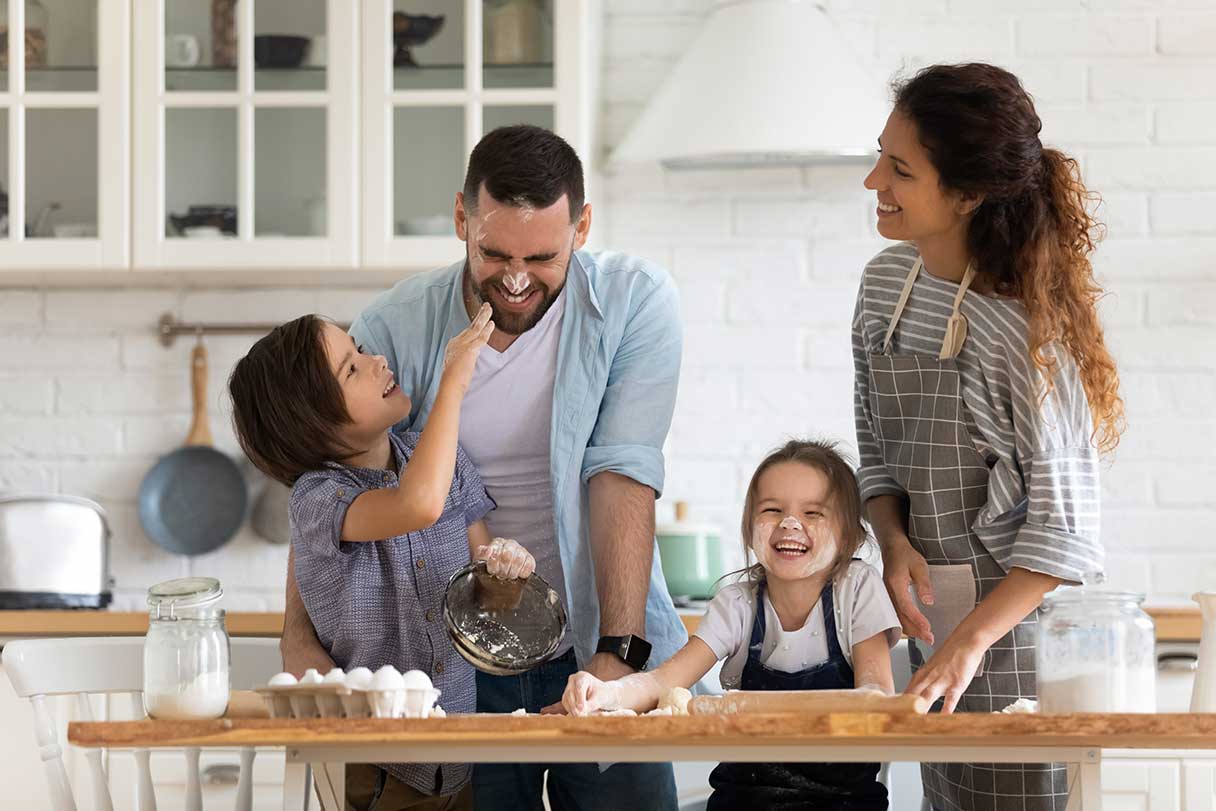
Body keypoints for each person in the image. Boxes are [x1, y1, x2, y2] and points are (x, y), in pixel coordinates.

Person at [278, 124, 685, 810]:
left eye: (543, 255)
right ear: (462, 218)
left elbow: (622, 472)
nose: (518, 278)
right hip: (455, 664)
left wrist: (617, 653)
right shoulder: (394, 329)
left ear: (582, 226)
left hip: (603, 641)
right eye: (494, 252)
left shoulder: (633, 302)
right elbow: (336, 485)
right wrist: (297, 633)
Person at [852, 62, 1126, 811]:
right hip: (933, 619)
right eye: (880, 153)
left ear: (967, 194)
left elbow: (1064, 533)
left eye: (900, 168)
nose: (874, 179)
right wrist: (894, 541)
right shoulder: (882, 288)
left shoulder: (1022, 333)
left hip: (1023, 646)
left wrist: (968, 642)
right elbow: (874, 449)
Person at [228, 306, 536, 810]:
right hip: (374, 771)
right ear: (313, 423)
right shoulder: (318, 499)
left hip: (458, 761)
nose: (377, 363)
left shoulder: (445, 461)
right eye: (352, 368)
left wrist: (506, 570)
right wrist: (454, 381)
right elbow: (415, 506)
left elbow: (485, 599)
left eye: (362, 351)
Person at [564, 439, 901, 811]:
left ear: (849, 536)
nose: (790, 523)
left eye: (813, 513)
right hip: (745, 798)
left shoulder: (856, 589)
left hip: (843, 800)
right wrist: (606, 693)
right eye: (773, 509)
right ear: (748, 528)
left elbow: (876, 698)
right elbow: (665, 681)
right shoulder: (738, 604)